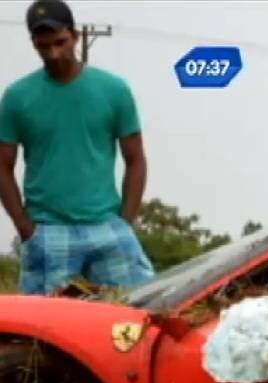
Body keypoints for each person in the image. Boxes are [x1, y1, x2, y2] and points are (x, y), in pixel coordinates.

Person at [0, 0, 154, 295]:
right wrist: (25, 227)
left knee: (140, 312)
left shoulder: (113, 90)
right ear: (34, 44)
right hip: (47, 230)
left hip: (107, 226)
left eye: (60, 42)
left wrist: (125, 222)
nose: (54, 53)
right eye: (44, 46)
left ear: (76, 36)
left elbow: (135, 159)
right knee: (43, 328)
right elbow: (3, 165)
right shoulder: (17, 97)